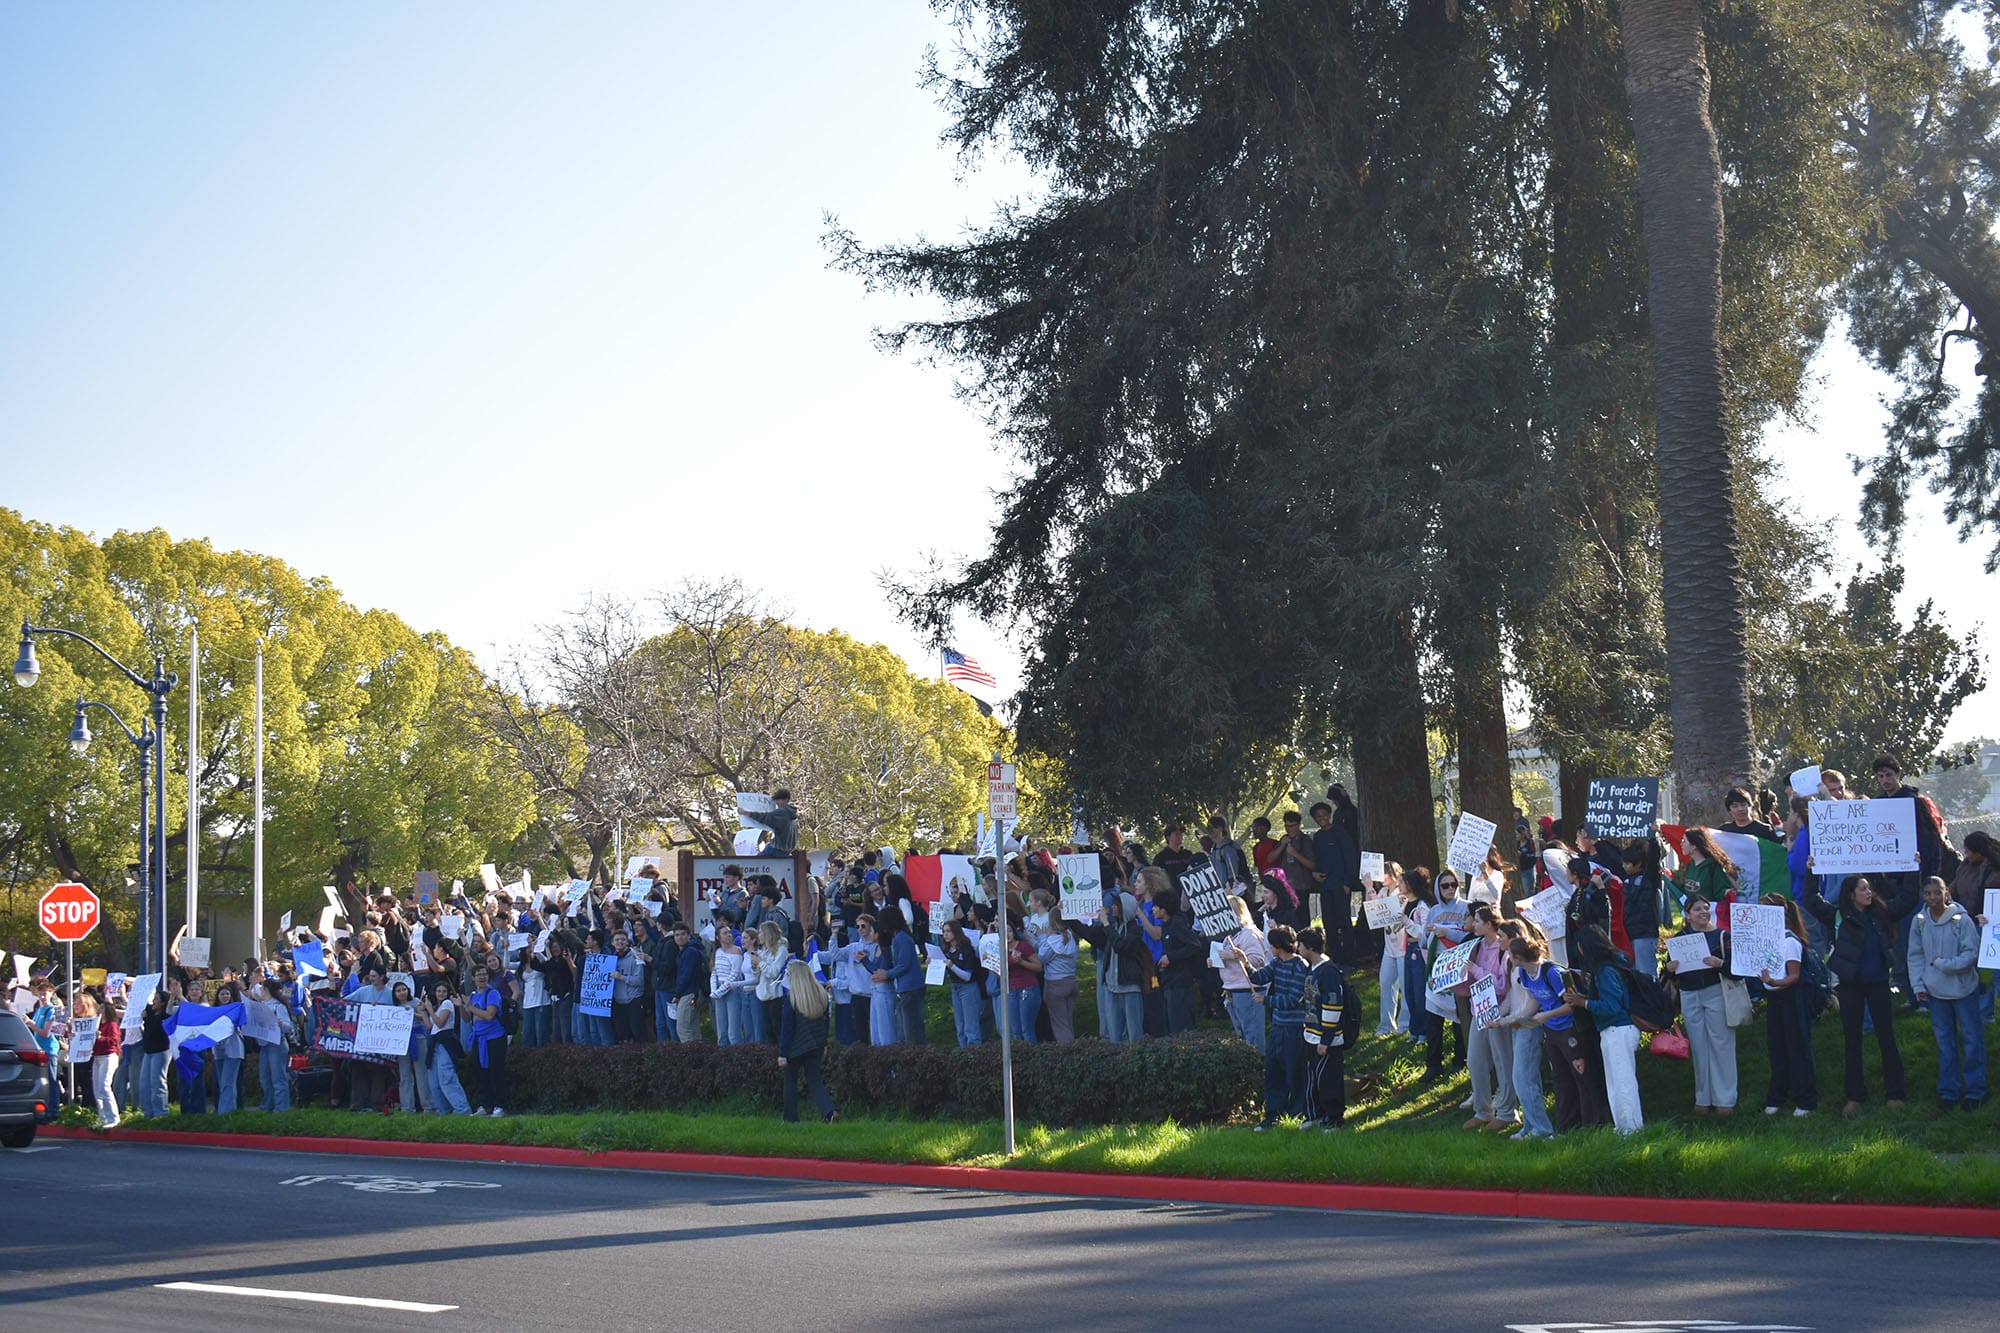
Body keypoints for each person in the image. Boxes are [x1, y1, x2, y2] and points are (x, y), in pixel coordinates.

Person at [1804, 875, 1911, 1116]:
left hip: (1879, 983)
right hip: (1851, 986)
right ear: (1851, 894)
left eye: (1869, 888)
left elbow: (1908, 899)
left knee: (1887, 1039)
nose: (1869, 892)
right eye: (1863, 889)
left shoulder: (1881, 913)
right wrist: (1811, 871)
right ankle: (1854, 1096)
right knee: (1852, 1041)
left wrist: (1911, 867)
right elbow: (1811, 900)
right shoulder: (1838, 915)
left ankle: (1895, 1094)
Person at [1904, 875, 1984, 1111]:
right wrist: (1918, 985)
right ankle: (1948, 1091)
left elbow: (1971, 955)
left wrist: (1943, 965)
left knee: (1972, 1041)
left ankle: (1975, 1091)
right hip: (1935, 992)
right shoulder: (1919, 921)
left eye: (1937, 892)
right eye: (1927, 893)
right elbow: (1915, 955)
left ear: (1946, 893)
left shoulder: (1962, 920)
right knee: (1944, 1042)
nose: (1933, 898)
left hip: (1964, 989)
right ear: (1923, 895)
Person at [1563, 926, 1643, 1135]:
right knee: (1615, 1084)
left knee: (1623, 1083)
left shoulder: (1606, 970)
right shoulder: (1614, 965)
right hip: (1613, 1030)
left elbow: (1612, 1007)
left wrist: (1584, 1003)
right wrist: (1585, 1000)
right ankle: (1622, 1128)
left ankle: (1632, 1130)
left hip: (1618, 1029)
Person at [1235, 924, 1310, 1131]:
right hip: (1278, 1026)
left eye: (1272, 945)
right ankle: (1273, 1114)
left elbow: (1296, 998)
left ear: (1279, 946)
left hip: (1295, 1028)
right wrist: (1245, 962)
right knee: (1274, 1071)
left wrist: (1266, 1000)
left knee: (1294, 1072)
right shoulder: (1276, 963)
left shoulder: (1300, 965)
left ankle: (1298, 1112)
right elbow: (1258, 977)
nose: (1269, 949)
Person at [1665, 896, 1736, 1116]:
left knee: (1721, 1045)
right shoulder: (1680, 939)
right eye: (1698, 909)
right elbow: (1667, 974)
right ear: (1687, 915)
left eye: (1706, 908)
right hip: (1689, 995)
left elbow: (1738, 969)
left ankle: (1725, 1099)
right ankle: (1703, 1097)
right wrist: (1669, 968)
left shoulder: (1722, 936)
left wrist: (1721, 964)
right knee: (1699, 1047)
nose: (1704, 912)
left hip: (1715, 993)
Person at [1759, 894, 1818, 1117]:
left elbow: (1794, 976)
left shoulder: (1790, 941)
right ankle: (1778, 1094)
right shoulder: (1767, 939)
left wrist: (1774, 982)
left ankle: (1806, 1099)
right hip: (1774, 998)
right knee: (1777, 1047)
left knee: (1796, 1048)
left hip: (1792, 998)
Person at [1463, 905, 1519, 1133]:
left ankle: (1507, 1111)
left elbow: (1501, 985)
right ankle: (1483, 1110)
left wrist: (1475, 970)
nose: (1472, 924)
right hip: (1479, 1010)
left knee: (1502, 1060)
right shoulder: (1477, 946)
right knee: (1475, 1059)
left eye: (1477, 921)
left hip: (1498, 1012)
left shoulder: (1502, 949)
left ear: (1489, 925)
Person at [1297, 926, 1349, 1129]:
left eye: (1300, 944)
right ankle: (1315, 1115)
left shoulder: (1329, 972)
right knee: (1312, 1078)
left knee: (1329, 1080)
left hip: (1325, 1038)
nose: (1298, 948)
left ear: (1310, 947)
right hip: (1310, 1034)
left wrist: (1326, 1039)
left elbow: (1333, 1006)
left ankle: (1334, 1118)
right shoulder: (1311, 968)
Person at [776, 958, 838, 1122]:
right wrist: (823, 1044)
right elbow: (825, 1023)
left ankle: (790, 1119)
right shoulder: (820, 994)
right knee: (815, 1081)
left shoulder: (792, 998)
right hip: (816, 1044)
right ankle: (829, 1111)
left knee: (790, 1081)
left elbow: (787, 1029)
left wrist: (782, 1053)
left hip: (796, 1046)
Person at [1216, 895, 1271, 1053]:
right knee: (1241, 1036)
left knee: (1252, 1036)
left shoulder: (1249, 934)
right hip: (1233, 989)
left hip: (1248, 990)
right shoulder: (1230, 936)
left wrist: (1232, 956)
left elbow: (1258, 960)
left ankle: (1258, 1070)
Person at [1309, 800, 1360, 960]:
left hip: (1341, 885)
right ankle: (1336, 957)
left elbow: (1350, 859)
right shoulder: (1317, 837)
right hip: (1325, 886)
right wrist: (1315, 874)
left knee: (1345, 922)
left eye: (1324, 815)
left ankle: (1351, 958)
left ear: (1329, 815)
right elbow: (1316, 860)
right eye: (1318, 816)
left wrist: (1347, 883)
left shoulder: (1340, 833)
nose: (1322, 818)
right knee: (1329, 923)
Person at [1368, 863, 1409, 1037]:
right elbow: (1373, 911)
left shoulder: (1402, 894)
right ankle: (1386, 1025)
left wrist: (1372, 892)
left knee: (1405, 989)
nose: (1381, 877)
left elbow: (1390, 911)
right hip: (1389, 948)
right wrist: (1369, 888)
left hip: (1403, 947)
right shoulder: (1383, 892)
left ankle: (1405, 1024)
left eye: (1384, 873)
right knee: (1386, 984)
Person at [1158, 887, 1207, 1035]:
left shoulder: (1177, 924)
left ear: (1164, 909)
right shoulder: (1167, 926)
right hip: (1169, 982)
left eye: (1156, 906)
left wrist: (1171, 957)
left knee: (1181, 1029)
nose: (1153, 909)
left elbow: (1194, 944)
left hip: (1181, 983)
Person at [419, 980, 472, 1115]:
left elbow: (440, 1023)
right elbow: (430, 1026)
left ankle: (463, 1110)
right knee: (434, 1083)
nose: (441, 994)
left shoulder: (447, 1004)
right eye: (438, 991)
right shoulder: (437, 1007)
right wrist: (423, 1012)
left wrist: (429, 1010)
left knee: (447, 1078)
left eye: (444, 991)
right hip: (434, 1044)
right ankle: (444, 1110)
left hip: (445, 1043)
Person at [1034, 900, 1080, 1043]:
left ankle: (1068, 1053)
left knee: (1059, 1024)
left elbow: (1041, 957)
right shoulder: (1072, 936)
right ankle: (1074, 1048)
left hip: (1055, 984)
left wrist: (1042, 937)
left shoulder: (1052, 941)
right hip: (1071, 981)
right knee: (1067, 1021)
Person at [1620, 840, 1667, 979]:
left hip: (1645, 931)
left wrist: (1653, 839)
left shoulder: (1649, 879)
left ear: (1639, 864)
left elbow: (1654, 860)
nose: (1624, 866)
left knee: (1645, 971)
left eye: (1627, 863)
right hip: (1628, 931)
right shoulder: (1625, 880)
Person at [467, 965, 508, 1117]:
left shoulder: (493, 993)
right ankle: (485, 1105)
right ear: (473, 978)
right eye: (478, 975)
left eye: (484, 974)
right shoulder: (472, 995)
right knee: (481, 1073)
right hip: (479, 1038)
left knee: (496, 1072)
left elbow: (490, 1015)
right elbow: (467, 1018)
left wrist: (471, 1008)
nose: (482, 977)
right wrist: (461, 1006)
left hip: (495, 1038)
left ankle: (499, 1105)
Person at [250, 979, 292, 1114]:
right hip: (264, 1043)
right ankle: (268, 1105)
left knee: (278, 1077)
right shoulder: (260, 1005)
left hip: (277, 1044)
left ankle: (281, 1108)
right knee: (265, 1077)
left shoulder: (278, 1006)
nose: (260, 991)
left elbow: (288, 1026)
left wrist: (281, 1024)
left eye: (261, 988)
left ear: (266, 990)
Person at [609, 930, 651, 1044]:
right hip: (618, 1002)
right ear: (612, 943)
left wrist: (622, 977)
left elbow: (639, 981)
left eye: (622, 939)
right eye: (617, 940)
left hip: (634, 1001)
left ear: (627, 941)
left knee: (638, 1034)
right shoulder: (610, 959)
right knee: (622, 1036)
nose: (620, 942)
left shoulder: (635, 956)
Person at [90, 993, 124, 1126]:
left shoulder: (111, 1025)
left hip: (109, 1056)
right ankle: (103, 1117)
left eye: (103, 1009)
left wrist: (101, 1038)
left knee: (104, 1086)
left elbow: (114, 1041)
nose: (99, 1011)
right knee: (97, 1088)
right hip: (98, 1056)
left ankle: (113, 1117)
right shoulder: (98, 1026)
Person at [752, 921, 789, 1045]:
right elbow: (758, 976)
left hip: (776, 995)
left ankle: (783, 1056)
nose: (759, 935)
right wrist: (755, 966)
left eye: (760, 932)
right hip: (763, 995)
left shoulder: (781, 949)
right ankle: (772, 1058)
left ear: (768, 933)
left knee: (777, 1029)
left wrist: (760, 963)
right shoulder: (764, 951)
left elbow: (774, 973)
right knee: (768, 1031)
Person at [743, 789, 800, 854]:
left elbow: (765, 817)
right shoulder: (792, 813)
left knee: (756, 862)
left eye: (779, 800)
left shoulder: (782, 812)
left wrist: (748, 813)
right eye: (776, 800)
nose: (777, 802)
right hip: (788, 850)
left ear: (786, 800)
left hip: (778, 848)